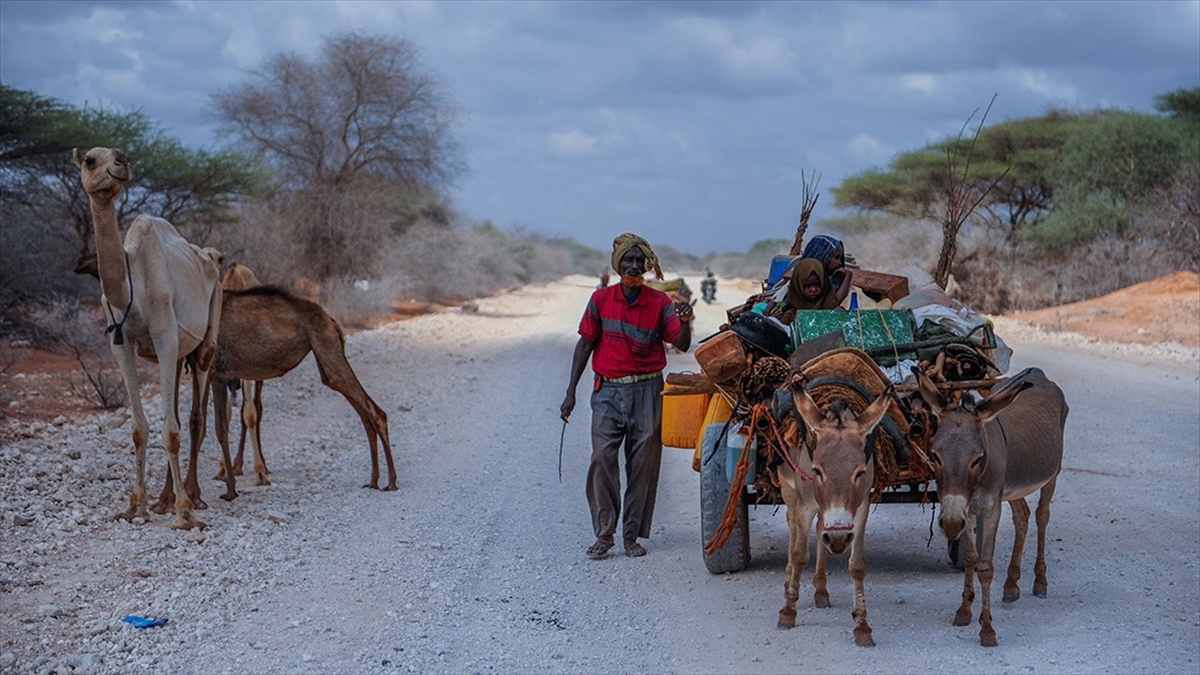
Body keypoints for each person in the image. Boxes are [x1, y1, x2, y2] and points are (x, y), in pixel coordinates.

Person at [561, 233, 693, 559]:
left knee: (642, 464)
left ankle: (631, 535)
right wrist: (570, 392)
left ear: (647, 266)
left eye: (639, 261)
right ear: (618, 264)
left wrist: (686, 321)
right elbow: (585, 345)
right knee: (602, 458)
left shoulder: (661, 304)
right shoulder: (601, 300)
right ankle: (604, 534)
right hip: (606, 390)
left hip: (648, 389)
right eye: (627, 260)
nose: (633, 265)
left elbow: (683, 344)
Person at [772, 258, 842, 325]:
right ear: (799, 285)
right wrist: (774, 320)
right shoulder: (789, 311)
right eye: (808, 286)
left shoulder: (830, 307)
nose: (813, 289)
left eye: (817, 285)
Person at [801, 235, 854, 306]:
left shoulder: (833, 279)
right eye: (836, 257)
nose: (840, 263)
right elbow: (833, 303)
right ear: (823, 256)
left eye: (840, 258)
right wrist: (848, 276)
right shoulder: (806, 279)